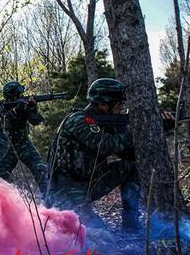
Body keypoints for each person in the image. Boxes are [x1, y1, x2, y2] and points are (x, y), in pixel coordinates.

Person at [46, 78, 140, 230]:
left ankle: (131, 224)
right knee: (100, 238)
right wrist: (134, 130)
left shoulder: (105, 124)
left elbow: (129, 155)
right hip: (65, 191)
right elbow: (106, 146)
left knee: (130, 167)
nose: (122, 107)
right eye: (118, 103)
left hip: (88, 184)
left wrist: (159, 130)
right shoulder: (79, 121)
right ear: (103, 104)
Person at [2, 81, 48, 192]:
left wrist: (32, 108)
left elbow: (37, 121)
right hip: (7, 147)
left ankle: (50, 202)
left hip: (24, 144)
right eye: (19, 94)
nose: (22, 96)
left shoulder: (24, 105)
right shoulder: (1, 107)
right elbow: (2, 122)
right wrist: (15, 110)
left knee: (41, 170)